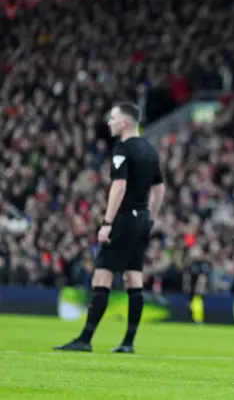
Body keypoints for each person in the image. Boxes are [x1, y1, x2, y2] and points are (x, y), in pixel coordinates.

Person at [54, 102, 165, 353]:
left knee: (102, 276)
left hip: (124, 218)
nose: (109, 122)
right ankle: (128, 343)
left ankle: (85, 339)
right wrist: (151, 218)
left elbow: (119, 186)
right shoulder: (150, 150)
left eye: (113, 118)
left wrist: (106, 223)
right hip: (142, 219)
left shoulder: (122, 149)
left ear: (125, 122)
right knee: (133, 278)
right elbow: (159, 190)